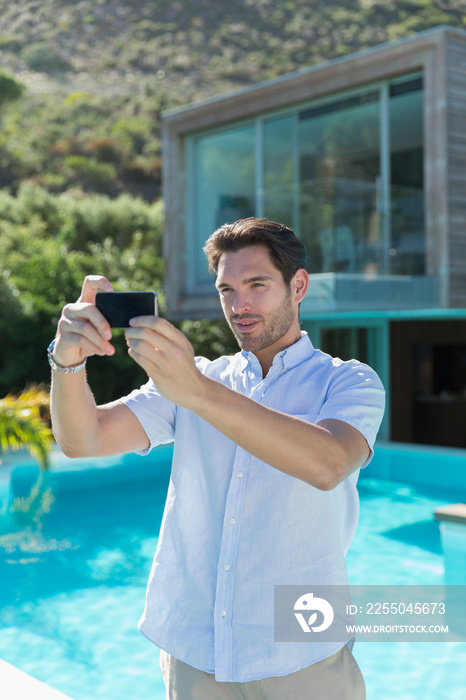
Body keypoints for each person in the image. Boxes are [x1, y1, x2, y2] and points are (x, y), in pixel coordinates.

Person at [49, 217, 385, 700]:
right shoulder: (197, 378)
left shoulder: (350, 381)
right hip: (193, 654)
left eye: (257, 285)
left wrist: (196, 391)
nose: (239, 305)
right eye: (227, 289)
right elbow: (84, 439)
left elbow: (329, 463)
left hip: (302, 657)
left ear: (299, 285)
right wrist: (67, 359)